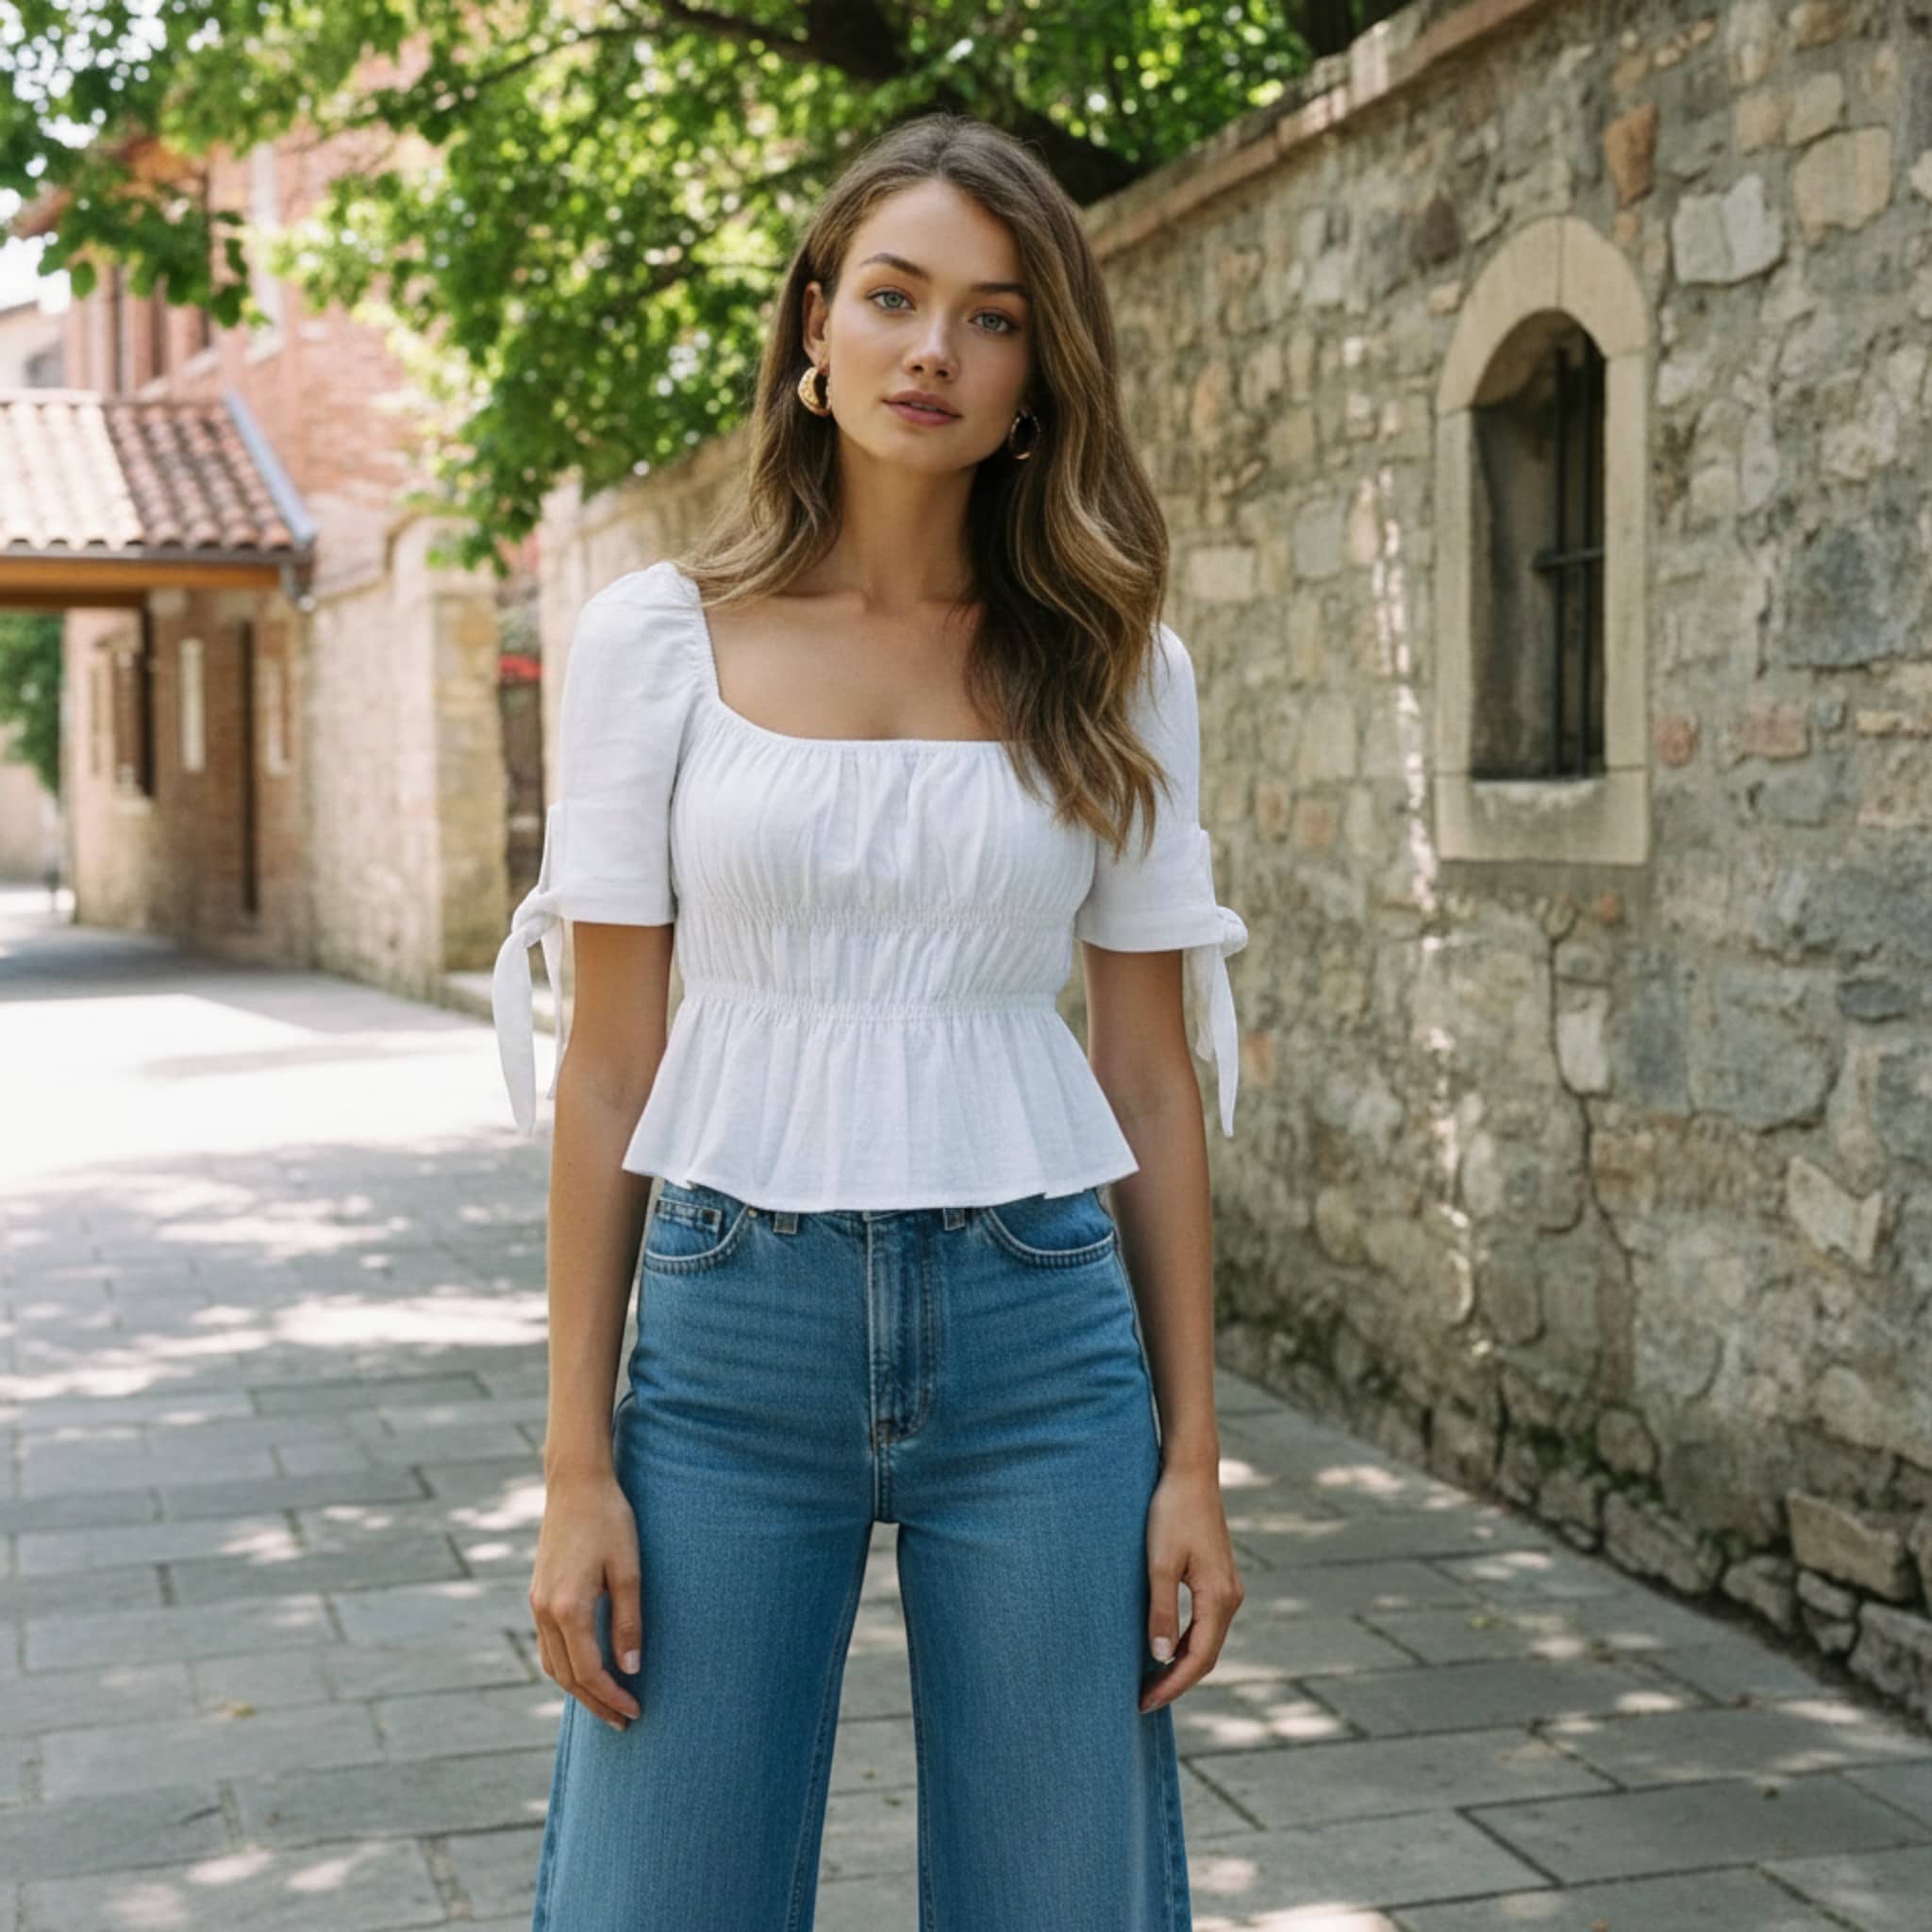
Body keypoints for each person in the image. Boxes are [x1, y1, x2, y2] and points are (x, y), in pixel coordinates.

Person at [491, 108, 1249, 1932]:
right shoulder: (654, 641)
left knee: (1063, 1898)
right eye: (895, 298)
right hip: (732, 1340)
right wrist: (574, 1462)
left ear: (1035, 377)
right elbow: (610, 1064)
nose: (934, 350)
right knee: (653, 1897)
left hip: (1044, 1345)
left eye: (992, 319)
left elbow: (1146, 1069)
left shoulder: (1117, 660)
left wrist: (1196, 1461)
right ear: (814, 328)